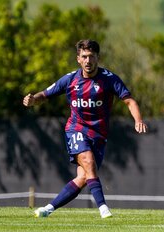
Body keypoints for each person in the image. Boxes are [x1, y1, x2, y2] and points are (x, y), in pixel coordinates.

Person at [23, 39, 148, 219]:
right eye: (84, 57)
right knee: (89, 163)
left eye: (91, 56)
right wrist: (33, 99)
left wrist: (138, 120)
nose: (88, 61)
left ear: (98, 57)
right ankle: (103, 208)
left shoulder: (109, 79)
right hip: (76, 129)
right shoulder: (70, 79)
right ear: (78, 59)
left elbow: (129, 101)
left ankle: (47, 209)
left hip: (98, 135)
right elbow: (45, 94)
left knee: (83, 178)